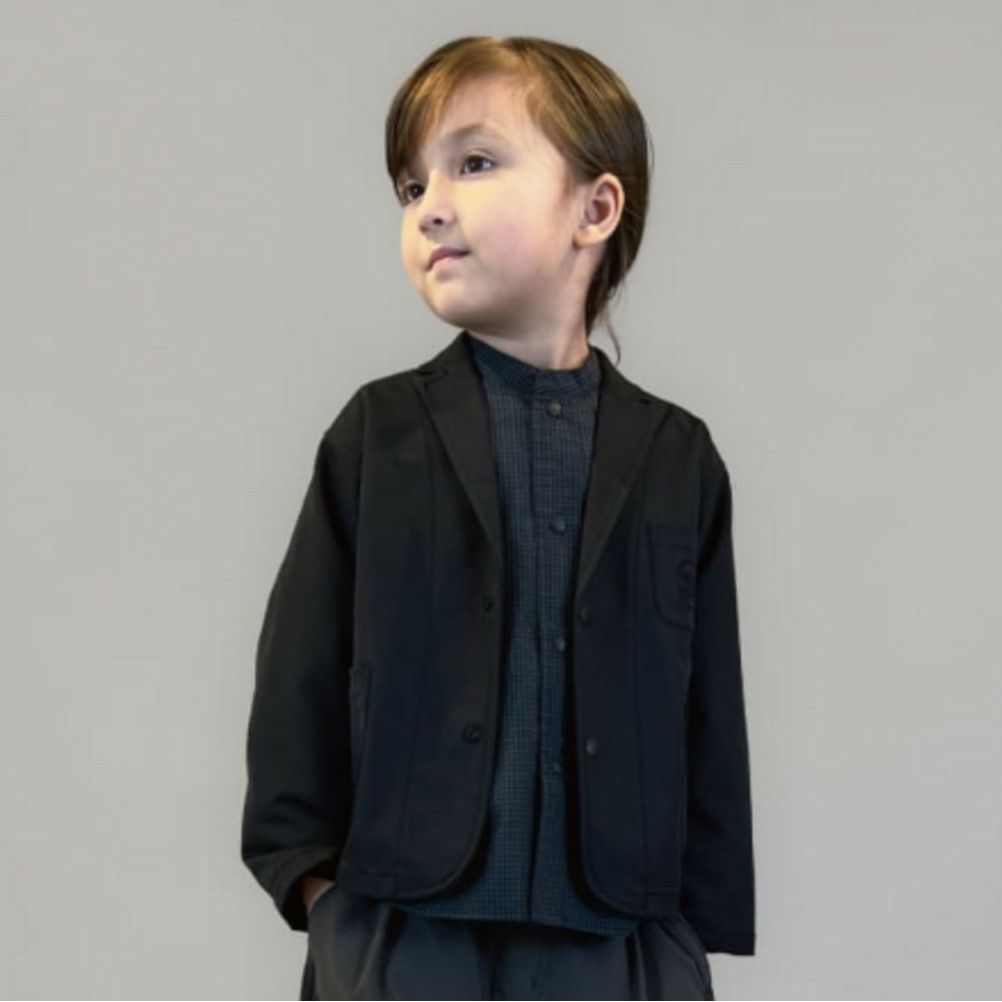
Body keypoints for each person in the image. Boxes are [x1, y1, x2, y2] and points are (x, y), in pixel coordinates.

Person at [241, 34, 755, 1000]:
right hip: (404, 928)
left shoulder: (677, 456)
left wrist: (688, 932)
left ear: (595, 210)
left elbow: (708, 708)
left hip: (618, 935)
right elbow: (299, 668)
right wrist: (317, 888)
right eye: (410, 186)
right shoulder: (378, 434)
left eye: (473, 163)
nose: (430, 205)